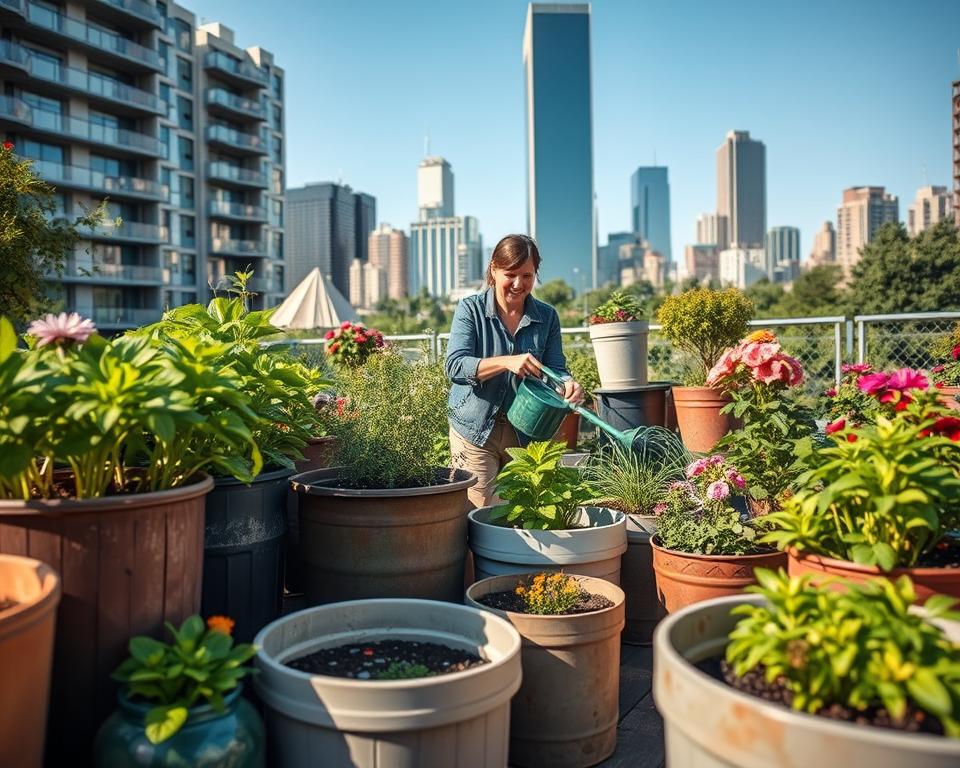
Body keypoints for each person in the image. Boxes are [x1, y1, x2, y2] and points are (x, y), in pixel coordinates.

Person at [445, 234, 584, 508]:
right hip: (474, 430)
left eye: (527, 276)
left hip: (525, 431)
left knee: (522, 510)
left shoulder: (547, 316)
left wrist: (568, 384)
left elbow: (556, 369)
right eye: (510, 274)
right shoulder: (470, 310)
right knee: (478, 511)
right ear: (494, 270)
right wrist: (506, 362)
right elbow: (455, 366)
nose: (519, 284)